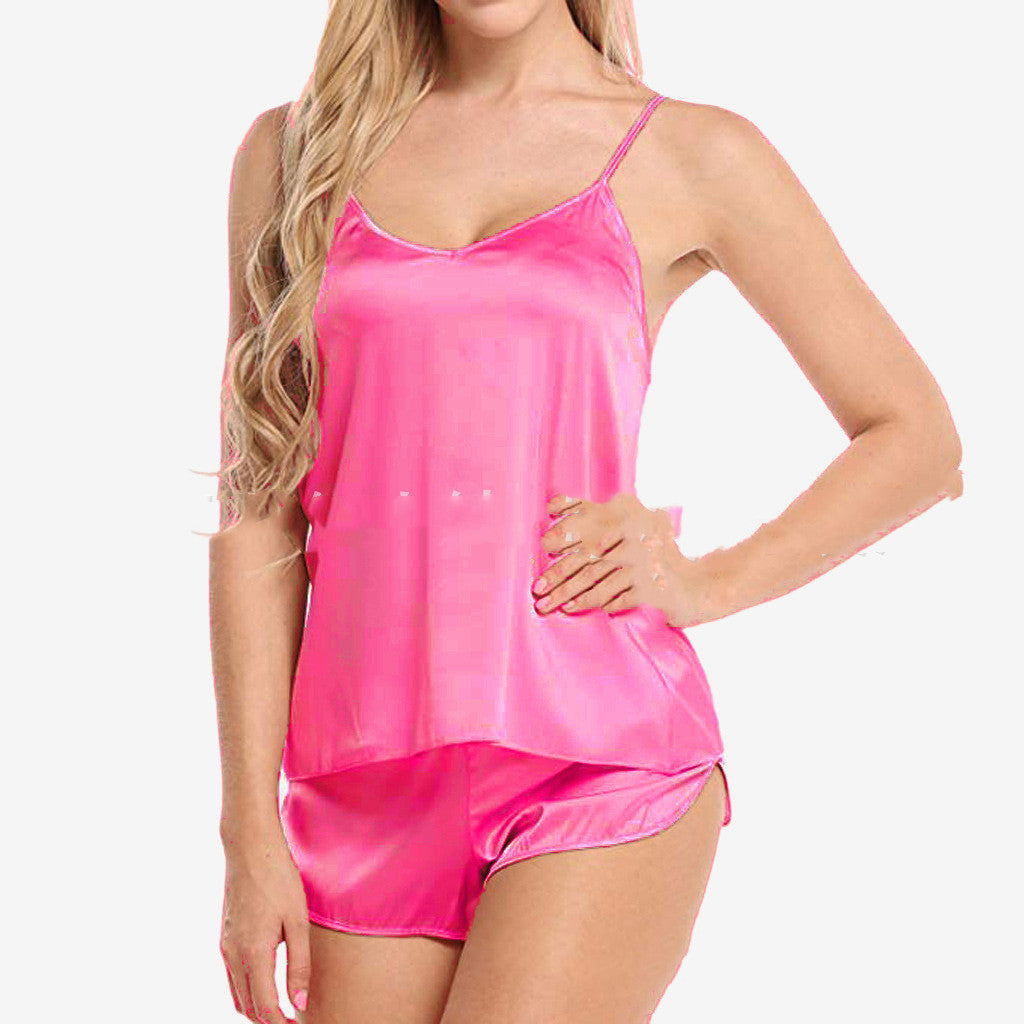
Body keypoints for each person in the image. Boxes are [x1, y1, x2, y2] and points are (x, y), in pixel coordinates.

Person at [209, 2, 964, 1022]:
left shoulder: (691, 152)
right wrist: (247, 833)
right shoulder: (293, 157)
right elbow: (258, 508)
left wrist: (709, 580)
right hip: (360, 783)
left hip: (599, 755)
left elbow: (916, 438)